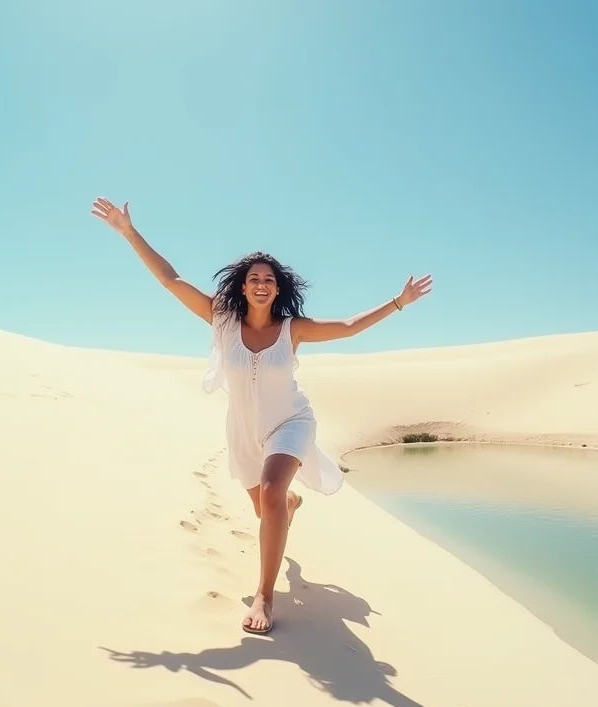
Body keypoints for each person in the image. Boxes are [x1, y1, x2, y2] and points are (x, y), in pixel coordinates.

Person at [91, 197, 432, 634]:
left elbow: (348, 327)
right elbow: (170, 278)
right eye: (253, 278)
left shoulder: (292, 328)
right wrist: (129, 232)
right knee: (267, 508)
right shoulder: (221, 319)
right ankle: (290, 503)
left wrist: (398, 302)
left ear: (278, 288)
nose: (261, 284)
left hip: (290, 422)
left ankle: (265, 597)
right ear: (242, 285)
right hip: (245, 432)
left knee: (269, 494)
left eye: (268, 280)